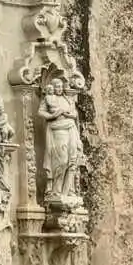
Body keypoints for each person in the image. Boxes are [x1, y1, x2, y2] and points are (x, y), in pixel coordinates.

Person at [39, 77, 84, 205]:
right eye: (56, 87)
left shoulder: (67, 99)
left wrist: (67, 113)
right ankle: (56, 191)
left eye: (60, 86)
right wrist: (53, 115)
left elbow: (74, 114)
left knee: (72, 160)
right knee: (62, 161)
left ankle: (68, 190)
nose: (59, 89)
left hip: (71, 129)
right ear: (52, 88)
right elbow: (41, 112)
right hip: (58, 130)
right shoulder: (48, 99)